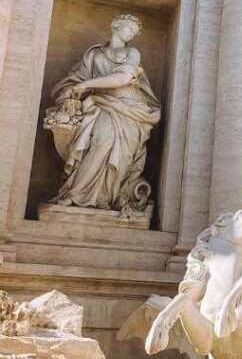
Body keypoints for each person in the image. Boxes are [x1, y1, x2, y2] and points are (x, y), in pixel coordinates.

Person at [45, 14, 161, 215]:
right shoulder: (94, 54)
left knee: (120, 153)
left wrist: (86, 85)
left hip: (131, 109)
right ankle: (76, 194)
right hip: (102, 104)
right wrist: (71, 90)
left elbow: (124, 77)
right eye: (129, 29)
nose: (131, 34)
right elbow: (75, 79)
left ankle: (105, 198)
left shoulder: (132, 52)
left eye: (134, 32)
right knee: (101, 141)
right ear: (116, 25)